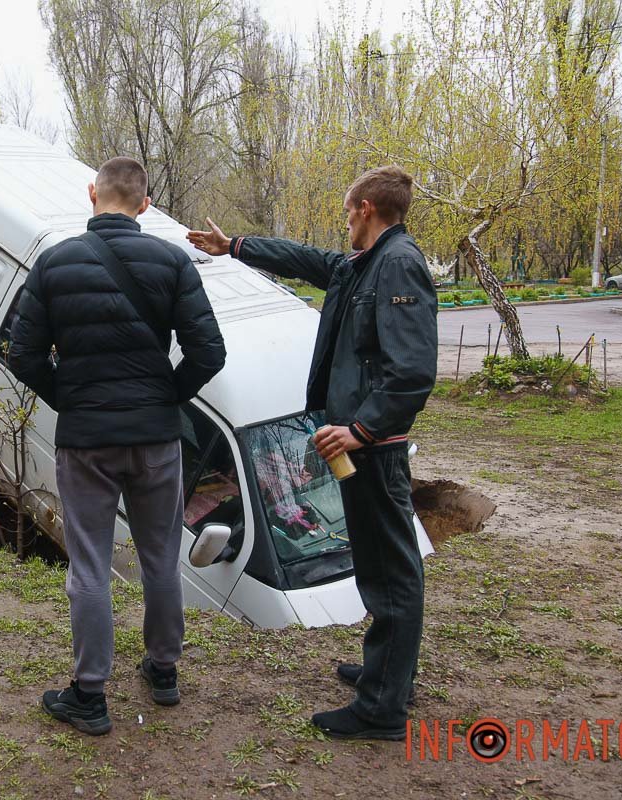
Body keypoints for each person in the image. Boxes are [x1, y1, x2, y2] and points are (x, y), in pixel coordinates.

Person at [188, 165, 438, 741]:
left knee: (392, 573)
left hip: (373, 450)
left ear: (368, 207)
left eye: (349, 210)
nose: (345, 220)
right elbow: (309, 260)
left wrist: (362, 432)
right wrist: (236, 248)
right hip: (359, 444)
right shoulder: (365, 264)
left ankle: (382, 709)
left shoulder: (398, 265)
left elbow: (412, 374)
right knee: (378, 566)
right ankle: (385, 674)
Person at [8, 157, 226, 735]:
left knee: (90, 566)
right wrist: (163, 400)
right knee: (160, 556)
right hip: (157, 439)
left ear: (92, 194)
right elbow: (209, 354)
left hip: (87, 442)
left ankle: (89, 694)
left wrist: (74, 400)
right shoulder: (173, 260)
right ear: (145, 205)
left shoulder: (53, 264)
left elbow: (21, 355)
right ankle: (163, 670)